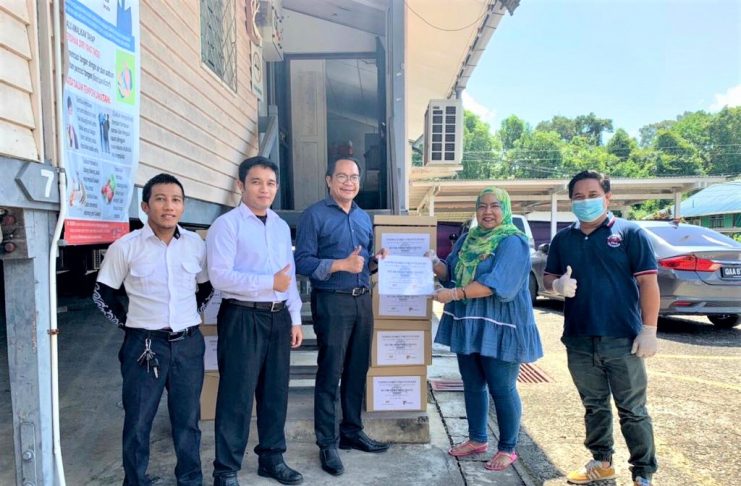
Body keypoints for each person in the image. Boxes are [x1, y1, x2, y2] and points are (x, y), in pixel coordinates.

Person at [93, 173, 212, 486]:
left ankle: (190, 479)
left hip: (188, 345)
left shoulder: (195, 245)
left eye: (175, 200)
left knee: (188, 419)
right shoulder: (126, 246)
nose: (168, 206)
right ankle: (135, 480)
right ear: (145, 206)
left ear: (183, 206)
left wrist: (189, 316)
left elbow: (206, 287)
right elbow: (103, 294)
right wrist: (130, 325)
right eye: (160, 199)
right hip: (144, 346)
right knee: (138, 420)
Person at [544, 170, 659, 486]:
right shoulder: (563, 239)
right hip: (579, 338)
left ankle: (643, 472)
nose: (585, 201)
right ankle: (602, 461)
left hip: (622, 339)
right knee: (594, 406)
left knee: (632, 409)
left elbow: (648, 282)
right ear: (571, 201)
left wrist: (649, 329)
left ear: (608, 197)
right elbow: (548, 277)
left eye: (593, 195)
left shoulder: (629, 233)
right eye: (578, 197)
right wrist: (557, 285)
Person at [430, 186, 543, 472]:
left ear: (505, 209)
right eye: (482, 206)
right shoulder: (468, 239)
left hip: (501, 324)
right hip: (469, 323)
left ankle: (508, 448)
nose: (487, 212)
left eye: (495, 206)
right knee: (472, 384)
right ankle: (477, 439)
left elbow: (499, 285)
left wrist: (455, 294)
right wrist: (432, 263)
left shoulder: (513, 242)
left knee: (502, 388)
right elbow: (451, 272)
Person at [207, 156, 304, 486]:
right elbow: (220, 277)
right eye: (256, 182)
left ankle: (272, 458)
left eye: (271, 183)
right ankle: (226, 469)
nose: (265, 189)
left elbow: (288, 276)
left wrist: (295, 317)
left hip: (278, 318)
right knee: (236, 394)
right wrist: (268, 283)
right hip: (242, 316)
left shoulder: (280, 226)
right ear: (241, 185)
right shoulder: (226, 225)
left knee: (275, 392)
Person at [294, 157, 389, 477]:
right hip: (332, 301)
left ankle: (351, 431)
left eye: (354, 177)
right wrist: (339, 265)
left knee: (357, 368)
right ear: (328, 180)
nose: (349, 182)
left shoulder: (363, 217)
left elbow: (363, 264)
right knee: (330, 370)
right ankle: (327, 442)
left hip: (362, 301)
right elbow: (302, 262)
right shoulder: (314, 215)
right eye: (342, 176)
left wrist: (375, 261)